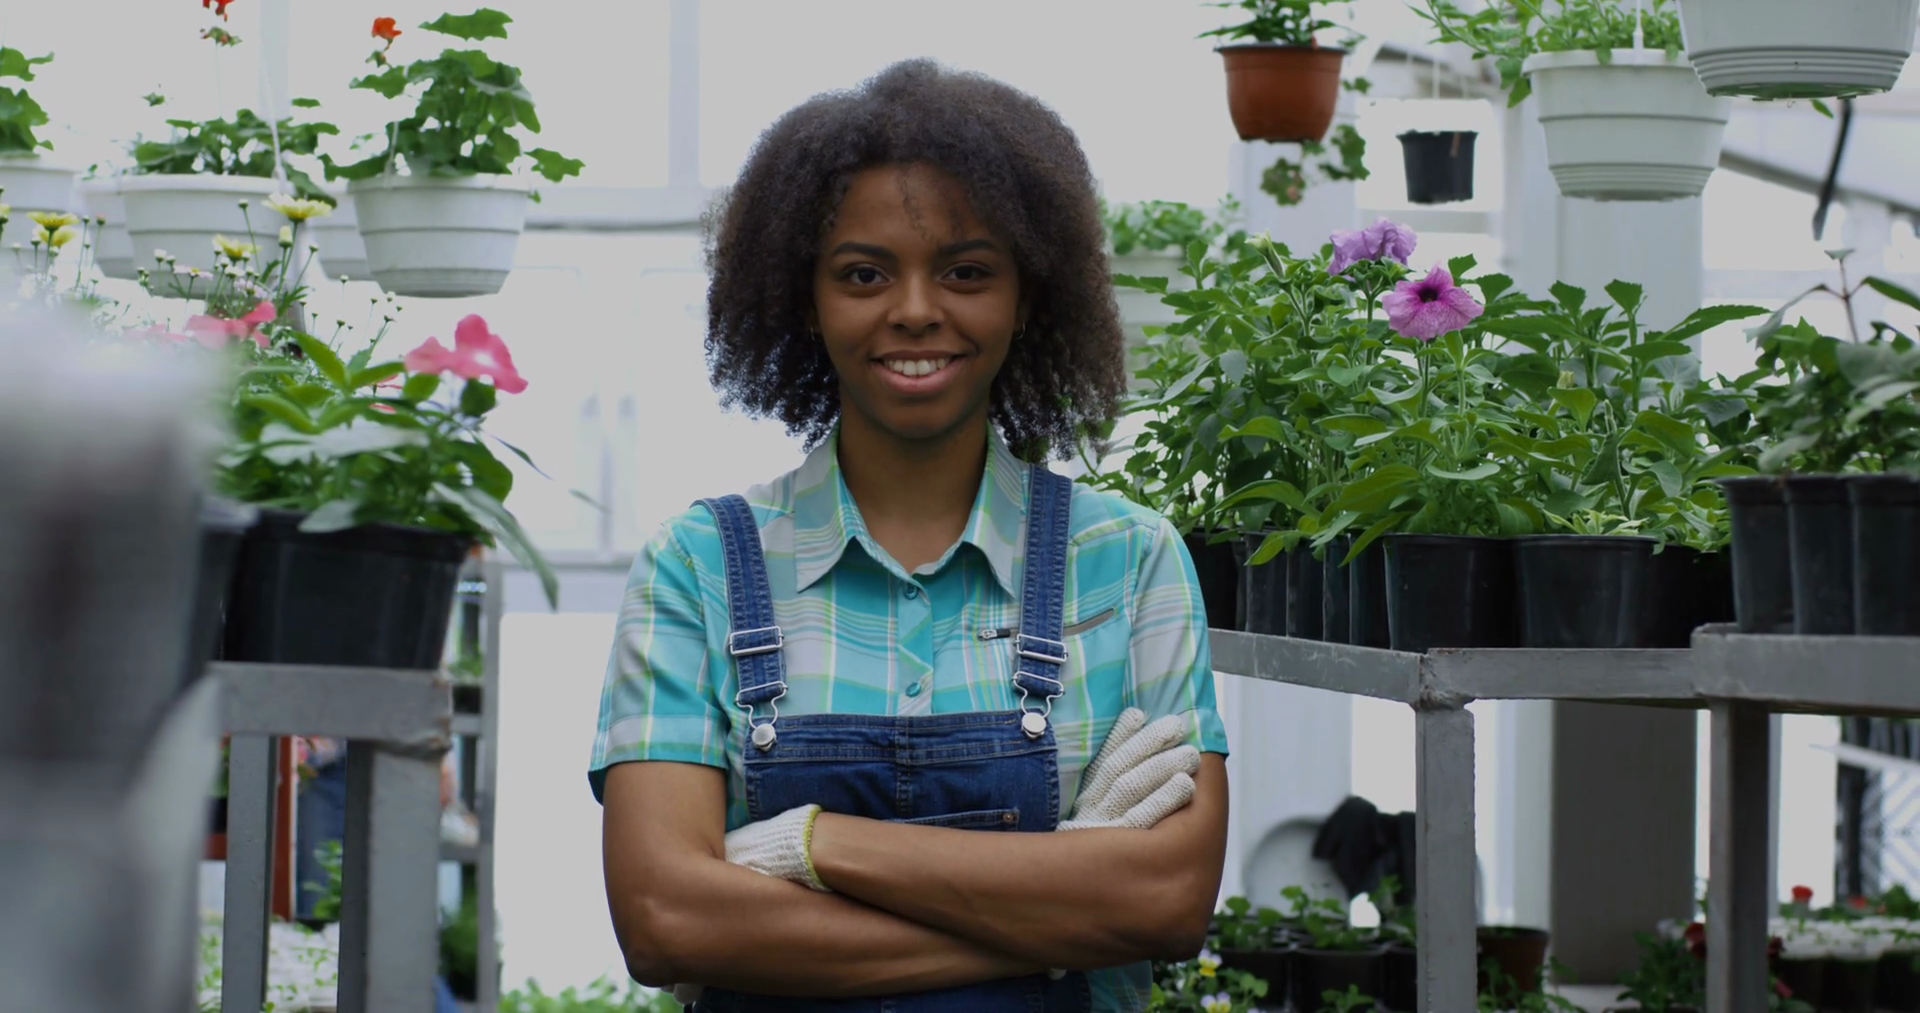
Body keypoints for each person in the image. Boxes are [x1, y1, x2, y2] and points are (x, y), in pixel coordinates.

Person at [590, 59, 1231, 1013]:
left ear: (1028, 294)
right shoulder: (699, 566)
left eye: (967, 271)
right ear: (804, 298)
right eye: (864, 273)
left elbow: (1169, 902)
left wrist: (809, 843)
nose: (918, 308)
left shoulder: (1128, 563)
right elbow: (664, 920)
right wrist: (1060, 913)